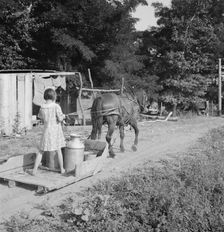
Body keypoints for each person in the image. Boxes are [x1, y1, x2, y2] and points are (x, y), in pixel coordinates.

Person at [31, 88, 66, 175]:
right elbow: (60, 118)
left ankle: (34, 170)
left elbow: (41, 118)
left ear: (45, 97)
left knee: (41, 151)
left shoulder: (42, 107)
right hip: (55, 131)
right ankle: (62, 169)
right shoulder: (56, 106)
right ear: (54, 96)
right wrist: (64, 116)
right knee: (58, 150)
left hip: (46, 130)